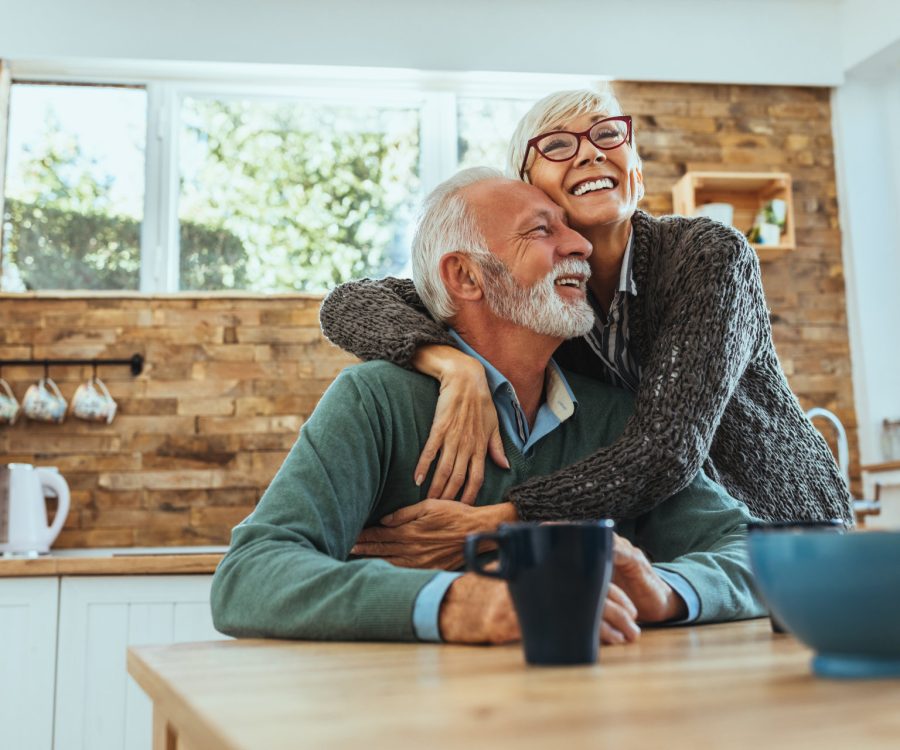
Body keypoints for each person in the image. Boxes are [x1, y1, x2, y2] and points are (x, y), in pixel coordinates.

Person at [211, 168, 765, 645]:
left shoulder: (615, 417)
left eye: (569, 228)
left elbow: (754, 552)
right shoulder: (375, 401)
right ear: (465, 276)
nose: (580, 245)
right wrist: (459, 602)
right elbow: (250, 576)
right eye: (542, 230)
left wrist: (664, 591)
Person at [320, 86, 852, 550]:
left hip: (782, 525)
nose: (591, 152)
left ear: (636, 171)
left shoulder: (708, 256)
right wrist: (452, 365)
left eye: (608, 135)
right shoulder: (541, 296)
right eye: (557, 145)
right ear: (527, 186)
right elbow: (350, 302)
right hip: (672, 540)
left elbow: (667, 449)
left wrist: (506, 518)